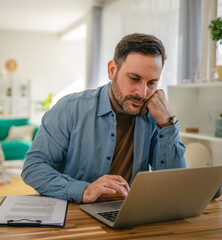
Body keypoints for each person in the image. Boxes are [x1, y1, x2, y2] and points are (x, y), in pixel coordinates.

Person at [22, 33, 187, 203]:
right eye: (134, 78)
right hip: (75, 216)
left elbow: (175, 182)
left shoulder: (154, 116)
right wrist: (84, 190)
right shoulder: (69, 109)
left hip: (129, 215)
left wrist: (166, 123)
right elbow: (33, 168)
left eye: (151, 83)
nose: (142, 93)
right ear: (112, 70)